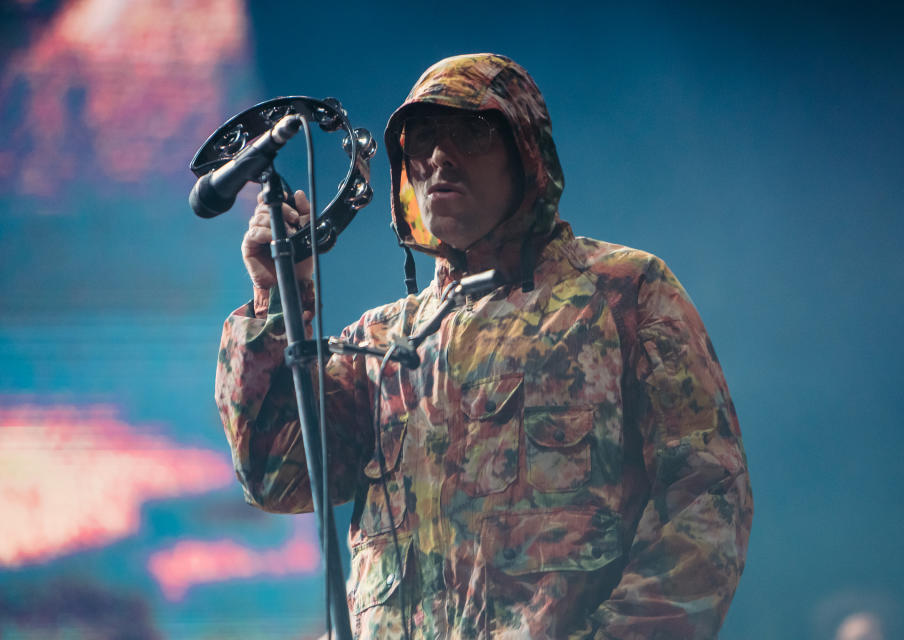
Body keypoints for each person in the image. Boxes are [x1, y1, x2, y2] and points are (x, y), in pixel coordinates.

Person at [215, 53, 752, 639]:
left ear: (526, 153)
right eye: (421, 137)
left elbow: (706, 498)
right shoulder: (382, 343)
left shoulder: (623, 293)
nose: (440, 156)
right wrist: (275, 298)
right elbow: (276, 476)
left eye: (470, 132)